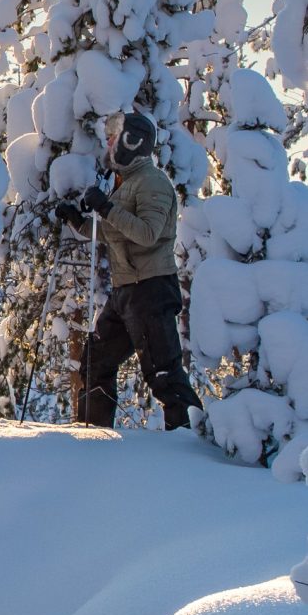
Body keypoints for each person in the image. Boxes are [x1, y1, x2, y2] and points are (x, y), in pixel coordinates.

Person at [55, 110, 203, 432]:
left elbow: (147, 233)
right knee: (96, 361)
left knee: (163, 372)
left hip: (150, 289)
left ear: (131, 141)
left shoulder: (152, 183)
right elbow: (111, 231)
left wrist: (106, 207)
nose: (108, 144)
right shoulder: (126, 185)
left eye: (114, 137)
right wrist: (76, 220)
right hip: (126, 292)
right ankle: (93, 437)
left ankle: (190, 447)